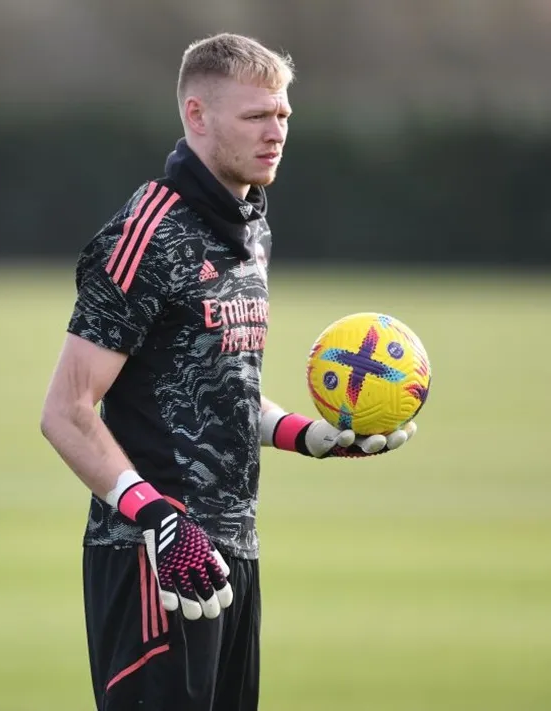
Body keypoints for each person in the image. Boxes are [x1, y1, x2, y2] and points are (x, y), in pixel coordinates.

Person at [40, 32, 417, 711]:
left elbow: (216, 387)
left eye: (283, 116)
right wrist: (158, 519)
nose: (277, 133)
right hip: (152, 557)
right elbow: (66, 410)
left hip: (233, 547)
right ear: (197, 115)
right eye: (257, 117)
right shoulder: (144, 235)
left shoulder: (249, 225)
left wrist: (309, 434)